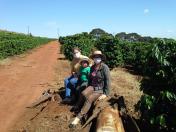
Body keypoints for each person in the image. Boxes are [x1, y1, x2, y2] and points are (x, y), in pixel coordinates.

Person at [69, 50, 111, 128]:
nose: (96, 58)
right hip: (92, 86)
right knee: (83, 93)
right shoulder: (92, 67)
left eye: (98, 57)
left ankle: (78, 118)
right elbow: (90, 79)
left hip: (100, 88)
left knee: (89, 99)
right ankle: (78, 106)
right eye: (95, 57)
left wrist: (105, 93)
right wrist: (88, 87)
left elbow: (108, 80)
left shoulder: (105, 67)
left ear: (101, 58)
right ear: (93, 58)